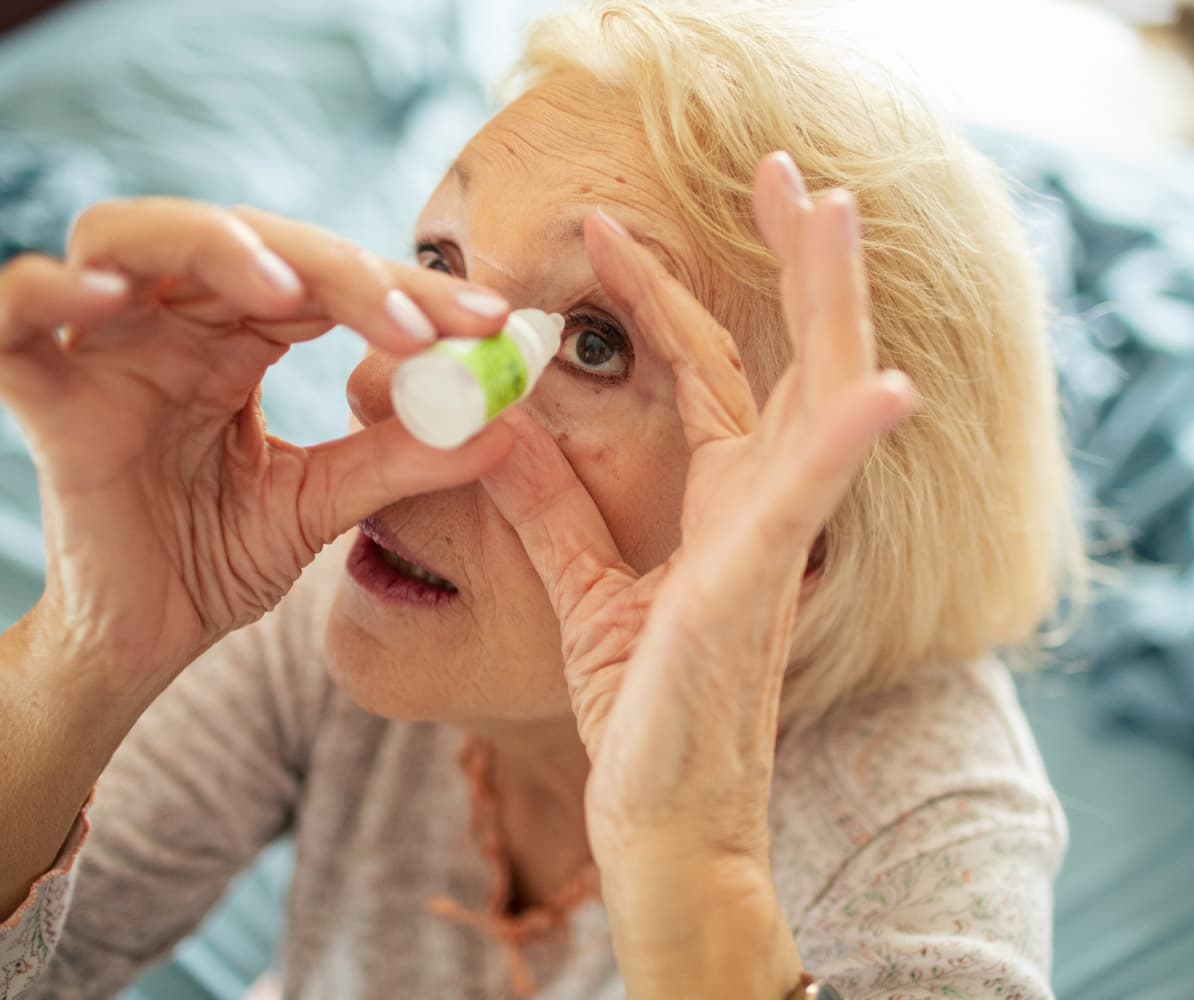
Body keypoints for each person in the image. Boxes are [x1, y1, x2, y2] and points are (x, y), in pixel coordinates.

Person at [0, 1, 1082, 997]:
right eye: (440, 258)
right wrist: (84, 660)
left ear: (802, 548)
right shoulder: (349, 580)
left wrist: (686, 867)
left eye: (594, 343)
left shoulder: (922, 822)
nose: (387, 391)